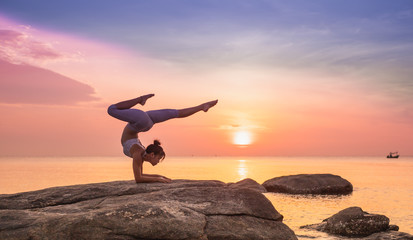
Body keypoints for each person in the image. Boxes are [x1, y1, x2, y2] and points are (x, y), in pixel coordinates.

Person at [107, 94, 218, 183]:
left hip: (141, 122)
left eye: (158, 159)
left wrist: (160, 178)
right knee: (176, 113)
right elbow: (140, 178)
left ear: (151, 155)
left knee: (111, 109)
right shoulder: (139, 153)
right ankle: (201, 106)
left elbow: (139, 177)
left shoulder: (138, 154)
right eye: (159, 159)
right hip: (143, 123)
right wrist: (159, 178)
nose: (158, 162)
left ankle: (141, 99)